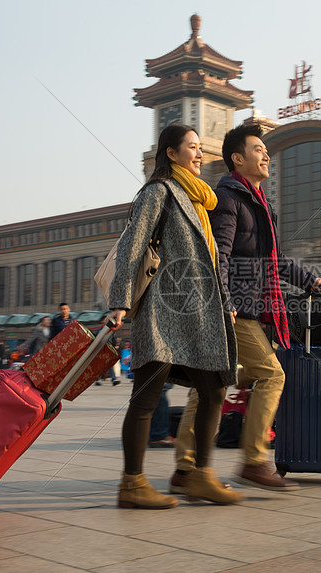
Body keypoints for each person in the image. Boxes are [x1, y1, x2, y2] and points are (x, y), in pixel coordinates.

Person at [169, 123, 321, 495]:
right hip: (236, 309)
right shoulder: (229, 199)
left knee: (214, 386)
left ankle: (185, 467)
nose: (266, 154)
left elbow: (273, 259)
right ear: (238, 159)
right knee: (272, 375)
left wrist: (309, 280)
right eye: (258, 149)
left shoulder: (258, 202)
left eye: (265, 149)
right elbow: (219, 256)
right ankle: (254, 460)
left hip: (246, 306)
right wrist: (224, 303)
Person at [106, 123, 244, 509]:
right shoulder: (159, 193)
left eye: (201, 148)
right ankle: (132, 484)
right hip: (163, 314)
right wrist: (119, 302)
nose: (200, 154)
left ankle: (200, 476)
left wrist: (226, 301)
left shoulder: (198, 199)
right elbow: (131, 247)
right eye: (193, 148)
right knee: (146, 397)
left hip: (201, 316)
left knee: (215, 389)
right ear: (171, 153)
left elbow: (212, 259)